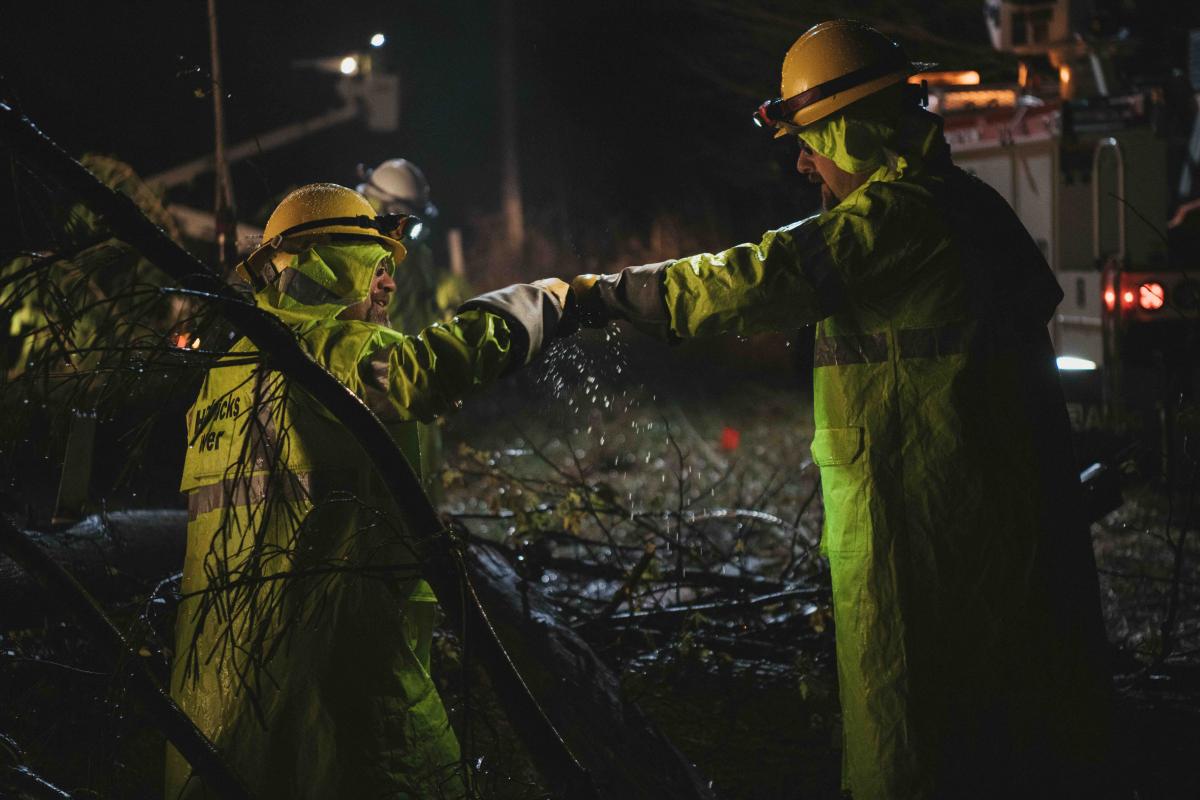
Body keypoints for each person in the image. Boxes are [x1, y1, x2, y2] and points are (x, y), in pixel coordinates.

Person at [571, 20, 1113, 800]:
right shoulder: (955, 209)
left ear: (850, 132)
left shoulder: (900, 217)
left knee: (919, 740)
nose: (801, 162)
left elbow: (759, 276)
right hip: (962, 518)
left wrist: (603, 295)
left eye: (809, 139)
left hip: (925, 531)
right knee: (994, 729)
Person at [166, 183, 569, 799]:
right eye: (373, 265)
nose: (388, 284)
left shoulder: (224, 376)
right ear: (322, 264)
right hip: (339, 695)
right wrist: (547, 303)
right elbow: (422, 373)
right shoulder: (328, 348)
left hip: (213, 706)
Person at [357, 158, 473, 496]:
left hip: (414, 364)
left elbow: (424, 305)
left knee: (423, 461)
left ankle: (430, 530)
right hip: (382, 370)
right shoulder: (364, 248)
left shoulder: (413, 250)